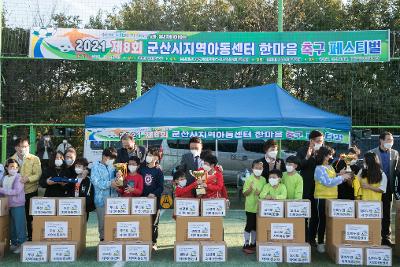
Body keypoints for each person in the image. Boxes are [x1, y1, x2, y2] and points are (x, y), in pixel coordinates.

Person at [309, 146, 352, 253]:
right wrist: (343, 177)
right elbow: (328, 182)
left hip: (333, 198)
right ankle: (320, 243)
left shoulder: (331, 167)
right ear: (324, 156)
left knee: (330, 221)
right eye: (330, 155)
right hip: (321, 198)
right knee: (322, 221)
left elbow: (332, 178)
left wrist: (339, 174)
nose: (332, 157)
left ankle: (330, 242)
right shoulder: (319, 168)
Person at [369, 131, 399, 246]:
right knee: (374, 212)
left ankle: (386, 238)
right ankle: (373, 236)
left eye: (392, 140)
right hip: (374, 188)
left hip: (389, 188)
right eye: (388, 140)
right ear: (381, 140)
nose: (390, 142)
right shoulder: (372, 152)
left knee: (387, 214)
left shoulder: (395, 153)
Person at [10, 137, 41, 241]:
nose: (22, 148)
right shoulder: (10, 160)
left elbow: (38, 174)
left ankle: (31, 237)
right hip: (16, 194)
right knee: (16, 217)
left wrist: (28, 179)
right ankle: (16, 240)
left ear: (28, 147)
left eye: (25, 146)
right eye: (19, 146)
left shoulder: (34, 159)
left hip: (30, 191)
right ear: (15, 147)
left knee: (30, 216)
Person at [297, 130, 324, 243]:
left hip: (320, 187)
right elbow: (298, 166)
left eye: (322, 141)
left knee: (315, 214)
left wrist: (319, 155)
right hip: (306, 185)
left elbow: (328, 164)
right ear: (311, 140)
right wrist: (307, 157)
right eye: (318, 141)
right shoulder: (302, 150)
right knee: (305, 213)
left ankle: (312, 238)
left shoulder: (323, 150)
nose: (320, 143)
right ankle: (304, 237)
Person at [91, 147, 119, 241]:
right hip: (101, 200)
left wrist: (117, 182)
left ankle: (113, 240)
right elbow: (97, 182)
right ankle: (102, 240)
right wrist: (110, 183)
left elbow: (116, 180)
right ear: (104, 156)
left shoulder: (112, 167)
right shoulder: (95, 167)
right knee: (102, 223)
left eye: (113, 158)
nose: (112, 160)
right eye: (110, 158)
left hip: (114, 199)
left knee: (113, 222)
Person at [139, 147, 164, 250]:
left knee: (154, 222)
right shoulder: (141, 169)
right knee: (142, 221)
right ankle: (142, 239)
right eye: (148, 154)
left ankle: (153, 242)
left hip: (154, 201)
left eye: (151, 155)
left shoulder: (158, 171)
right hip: (142, 200)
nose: (148, 157)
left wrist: (154, 194)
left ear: (156, 158)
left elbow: (161, 187)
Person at [0, 159, 26, 254]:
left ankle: (22, 244)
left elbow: (16, 191)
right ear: (6, 168)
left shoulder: (19, 177)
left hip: (18, 205)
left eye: (16, 167)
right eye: (11, 167)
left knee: (19, 225)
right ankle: (14, 243)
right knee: (12, 227)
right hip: (7, 206)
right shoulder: (4, 178)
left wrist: (1, 190)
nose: (14, 169)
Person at [242, 160, 266, 254]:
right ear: (252, 169)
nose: (258, 170)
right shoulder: (249, 179)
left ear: (263, 169)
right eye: (256, 168)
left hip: (260, 208)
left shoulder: (264, 180)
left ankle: (253, 243)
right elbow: (244, 193)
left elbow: (265, 191)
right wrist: (250, 189)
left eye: (260, 168)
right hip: (250, 207)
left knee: (256, 226)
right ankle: (246, 244)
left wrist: (260, 193)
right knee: (249, 225)